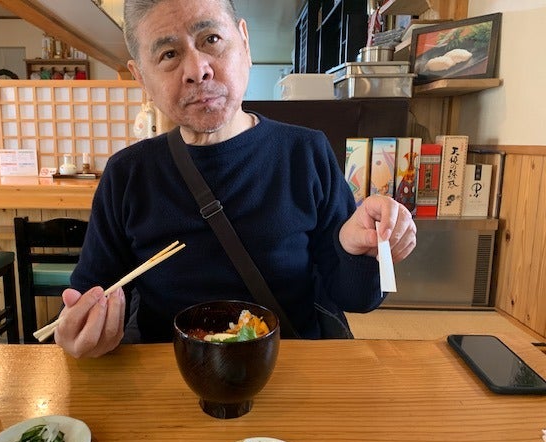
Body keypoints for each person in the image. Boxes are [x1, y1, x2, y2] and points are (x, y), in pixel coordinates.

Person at [55, 0, 417, 358]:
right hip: (170, 376)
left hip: (289, 370)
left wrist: (362, 251)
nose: (197, 70)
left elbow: (355, 298)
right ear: (141, 78)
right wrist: (83, 332)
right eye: (168, 54)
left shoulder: (305, 152)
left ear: (244, 42)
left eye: (211, 39)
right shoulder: (127, 174)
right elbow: (90, 296)